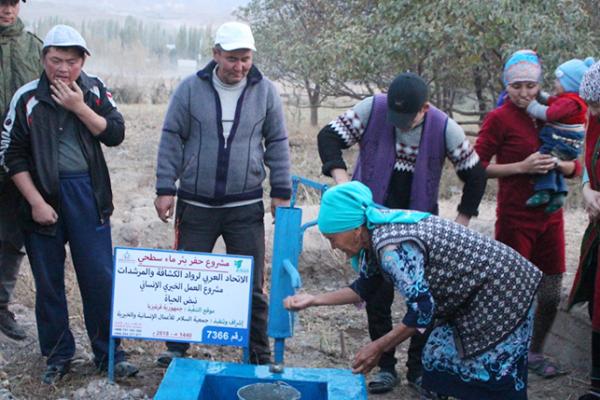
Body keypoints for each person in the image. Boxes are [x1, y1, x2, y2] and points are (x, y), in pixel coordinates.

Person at [284, 181, 541, 400]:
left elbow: (421, 312)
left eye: (332, 238)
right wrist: (313, 300)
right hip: (473, 293)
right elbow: (365, 288)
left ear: (354, 228)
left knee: (491, 375)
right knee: (436, 360)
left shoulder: (392, 249)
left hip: (504, 289)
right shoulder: (374, 234)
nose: (333, 246)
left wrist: (378, 347)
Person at [317, 72, 486, 393]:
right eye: (394, 118)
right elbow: (328, 137)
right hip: (370, 222)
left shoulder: (444, 127)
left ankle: (418, 370)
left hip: (418, 227)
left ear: (424, 108)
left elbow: (475, 175)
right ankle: (385, 368)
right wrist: (344, 186)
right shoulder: (373, 108)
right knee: (376, 295)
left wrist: (461, 224)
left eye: (406, 118)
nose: (398, 124)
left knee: (424, 300)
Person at [0, 24, 138, 384]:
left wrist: (79, 107)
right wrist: (34, 201)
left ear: (83, 61)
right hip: (40, 196)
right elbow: (11, 155)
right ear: (43, 58)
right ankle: (58, 355)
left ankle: (110, 353)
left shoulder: (93, 91)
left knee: (99, 277)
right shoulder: (27, 97)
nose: (63, 68)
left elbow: (115, 133)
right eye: (56, 60)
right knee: (48, 283)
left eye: (71, 61)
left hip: (87, 195)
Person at [154, 21, 291, 367]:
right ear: (215, 54)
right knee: (187, 278)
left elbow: (277, 142)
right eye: (231, 58)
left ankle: (257, 353)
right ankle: (176, 348)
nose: (239, 67)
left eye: (245, 59)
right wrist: (165, 188)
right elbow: (172, 136)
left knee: (251, 283)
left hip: (245, 205)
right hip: (196, 204)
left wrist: (281, 190)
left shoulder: (266, 92)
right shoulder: (189, 89)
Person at [475, 49, 581, 379]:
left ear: (539, 84)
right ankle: (505, 354)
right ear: (507, 85)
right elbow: (475, 168)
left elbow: (577, 165)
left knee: (550, 291)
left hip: (551, 217)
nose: (524, 94)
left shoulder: (552, 112)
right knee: (512, 291)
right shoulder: (499, 118)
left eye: (530, 86)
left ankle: (534, 352)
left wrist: (562, 166)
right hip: (515, 218)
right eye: (517, 86)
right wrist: (521, 167)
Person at [0, 0, 42, 341]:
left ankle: (1, 308)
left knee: (11, 238)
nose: (7, 9)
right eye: (1, 2)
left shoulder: (35, 48)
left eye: (13, 2)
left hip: (18, 164)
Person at [525, 57, 595, 212]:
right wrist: (540, 95)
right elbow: (552, 100)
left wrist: (531, 105)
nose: (555, 82)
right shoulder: (570, 100)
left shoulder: (569, 102)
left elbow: (550, 113)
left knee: (545, 158)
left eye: (558, 80)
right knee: (556, 163)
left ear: (569, 84)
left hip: (560, 139)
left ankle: (544, 190)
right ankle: (559, 194)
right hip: (569, 142)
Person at [568, 60, 600, 400]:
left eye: (597, 103)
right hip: (598, 228)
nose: (591, 109)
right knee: (596, 297)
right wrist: (588, 189)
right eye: (589, 101)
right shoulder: (595, 120)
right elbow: (589, 160)